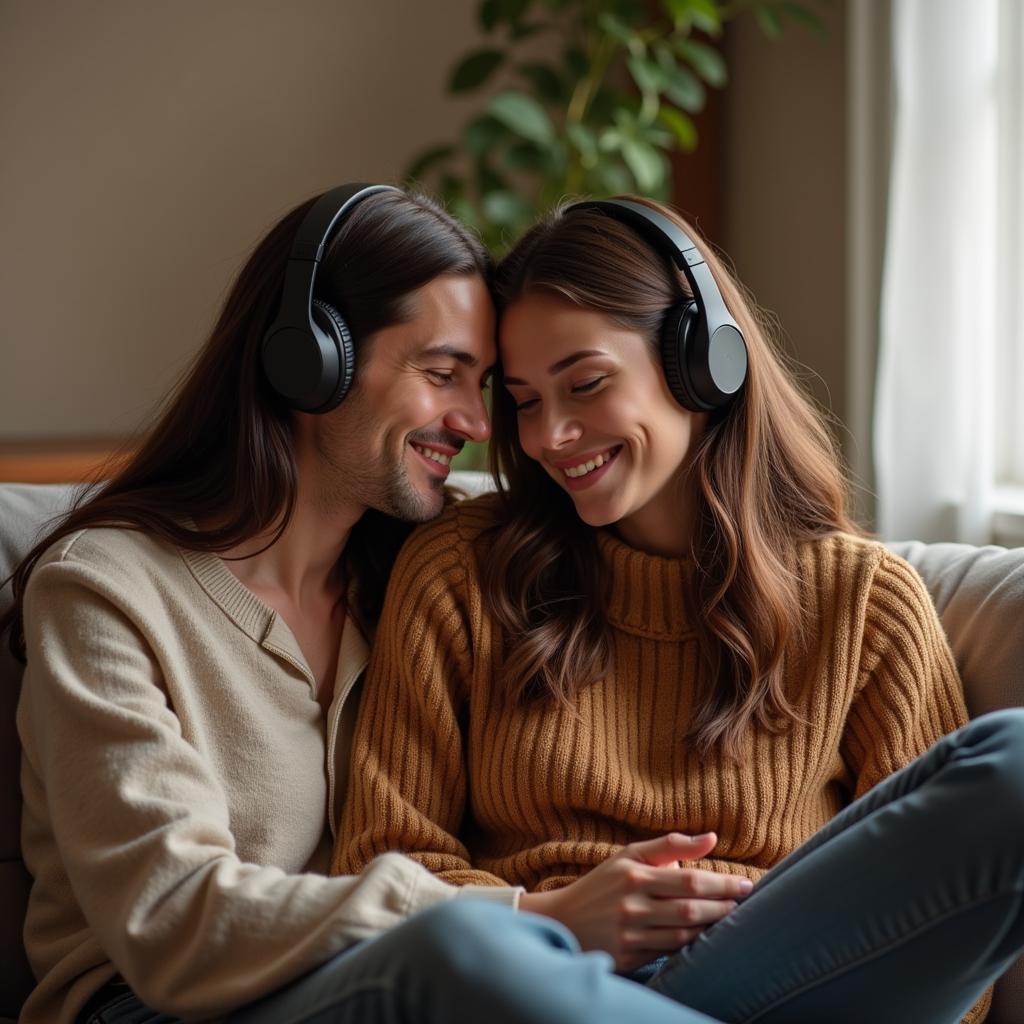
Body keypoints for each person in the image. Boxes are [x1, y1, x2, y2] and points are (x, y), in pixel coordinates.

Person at [4, 184, 715, 1024]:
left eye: (484, 387)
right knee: (463, 950)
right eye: (443, 373)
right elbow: (172, 919)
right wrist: (533, 916)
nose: (474, 423)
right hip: (161, 1007)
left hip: (380, 986)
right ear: (309, 359)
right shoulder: (104, 591)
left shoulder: (427, 571)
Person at [334, 195, 1024, 1023]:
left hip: (776, 979)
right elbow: (383, 862)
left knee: (1016, 763)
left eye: (585, 384)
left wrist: (761, 914)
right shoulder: (460, 572)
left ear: (704, 361)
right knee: (455, 951)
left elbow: (953, 964)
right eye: (523, 399)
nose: (551, 434)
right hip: (544, 979)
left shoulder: (865, 605)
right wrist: (567, 917)